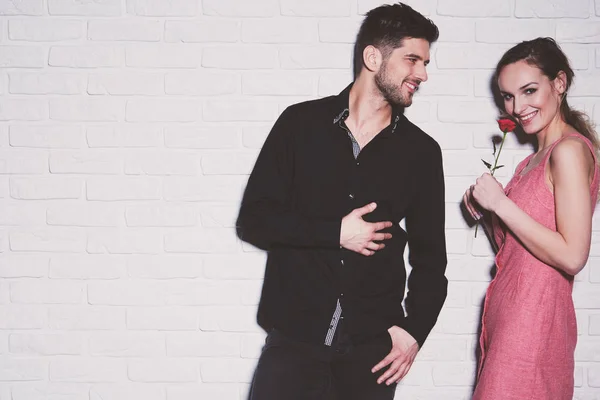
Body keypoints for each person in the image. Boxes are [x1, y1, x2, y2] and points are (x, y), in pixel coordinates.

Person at [236, 3, 447, 399]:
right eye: (412, 60)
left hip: (370, 357)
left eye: (425, 62)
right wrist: (335, 233)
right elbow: (255, 219)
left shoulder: (421, 152)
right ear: (373, 57)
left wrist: (414, 331)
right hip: (293, 344)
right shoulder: (299, 125)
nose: (422, 73)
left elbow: (431, 261)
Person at [464, 37, 599, 400]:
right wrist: (487, 210)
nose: (517, 106)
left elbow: (572, 255)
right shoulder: (532, 161)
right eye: (508, 96)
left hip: (534, 328)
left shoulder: (569, 151)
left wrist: (501, 205)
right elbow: (520, 254)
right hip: (511, 321)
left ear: (559, 83)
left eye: (528, 91)